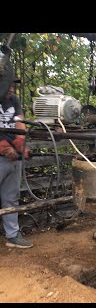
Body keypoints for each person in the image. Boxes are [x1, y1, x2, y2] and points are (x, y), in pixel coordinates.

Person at [0, 80, 33, 248]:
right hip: (2, 155)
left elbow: (20, 122)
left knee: (11, 196)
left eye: (13, 86)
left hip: (13, 157)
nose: (11, 89)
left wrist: (21, 142)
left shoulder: (14, 100)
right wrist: (3, 147)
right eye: (8, 86)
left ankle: (12, 235)